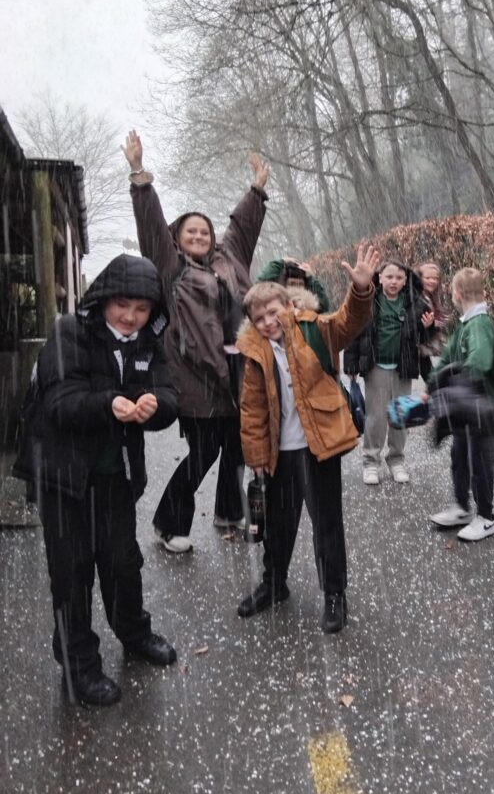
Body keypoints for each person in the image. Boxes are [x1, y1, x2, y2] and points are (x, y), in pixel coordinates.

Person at [15, 255, 179, 706]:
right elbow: (59, 403)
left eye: (142, 308)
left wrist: (155, 407)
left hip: (115, 476)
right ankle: (79, 663)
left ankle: (133, 632)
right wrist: (109, 403)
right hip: (63, 476)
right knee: (72, 572)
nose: (130, 317)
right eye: (122, 304)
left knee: (123, 562)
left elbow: (168, 393)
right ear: (104, 299)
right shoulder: (70, 331)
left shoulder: (149, 341)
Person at [122, 130, 269, 552]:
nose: (200, 237)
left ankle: (228, 514)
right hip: (197, 381)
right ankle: (169, 524)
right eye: (191, 233)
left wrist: (257, 189)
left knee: (239, 450)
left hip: (239, 376)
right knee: (201, 457)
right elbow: (151, 225)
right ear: (178, 239)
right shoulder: (170, 269)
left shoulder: (230, 258)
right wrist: (139, 174)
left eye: (205, 232)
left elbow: (242, 225)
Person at [235, 244, 380, 633]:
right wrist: (257, 456)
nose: (268, 321)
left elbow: (349, 321)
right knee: (278, 526)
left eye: (273, 311)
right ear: (251, 322)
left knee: (326, 523)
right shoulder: (254, 354)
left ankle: (334, 593)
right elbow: (251, 411)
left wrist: (361, 289)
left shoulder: (315, 328)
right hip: (278, 454)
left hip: (318, 448)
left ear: (288, 304)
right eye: (259, 317)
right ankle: (273, 583)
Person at [427, 267, 494, 542]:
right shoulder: (466, 324)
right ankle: (462, 507)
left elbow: (481, 360)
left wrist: (455, 374)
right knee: (460, 455)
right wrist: (432, 385)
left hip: (486, 407)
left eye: (452, 293)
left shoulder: (480, 325)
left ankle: (486, 517)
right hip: (468, 406)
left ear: (457, 294)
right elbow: (448, 357)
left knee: (480, 461)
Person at [343, 259, 432, 485]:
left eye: (399, 278)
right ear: (380, 278)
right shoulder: (368, 302)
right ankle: (371, 461)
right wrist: (351, 365)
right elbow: (354, 333)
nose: (394, 281)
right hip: (377, 367)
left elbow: (426, 342)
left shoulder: (416, 303)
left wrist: (429, 328)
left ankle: (396, 459)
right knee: (376, 417)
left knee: (401, 414)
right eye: (389, 277)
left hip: (403, 367)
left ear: (405, 281)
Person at [257, 256, 331, 313]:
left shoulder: (311, 307)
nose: (297, 287)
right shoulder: (277, 305)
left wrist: (310, 277)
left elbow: (324, 305)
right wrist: (280, 262)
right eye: (292, 284)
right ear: (284, 284)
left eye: (300, 284)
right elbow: (259, 288)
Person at [416, 260, 448, 379]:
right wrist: (431, 325)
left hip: (423, 344)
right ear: (420, 278)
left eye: (435, 278)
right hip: (417, 344)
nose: (432, 281)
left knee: (430, 374)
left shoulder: (430, 297)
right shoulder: (417, 298)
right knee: (430, 375)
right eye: (428, 278)